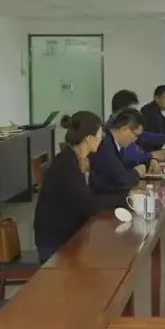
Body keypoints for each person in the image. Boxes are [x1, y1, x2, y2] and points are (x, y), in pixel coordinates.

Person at [33, 112, 128, 263]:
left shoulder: (78, 158)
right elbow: (88, 205)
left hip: (71, 230)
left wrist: (125, 195)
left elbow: (94, 190)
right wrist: (124, 199)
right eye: (100, 135)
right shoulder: (67, 164)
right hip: (57, 242)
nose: (102, 139)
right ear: (89, 139)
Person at [109, 90, 165, 169]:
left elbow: (142, 136)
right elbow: (127, 158)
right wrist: (151, 155)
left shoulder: (125, 126)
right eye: (134, 112)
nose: (137, 115)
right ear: (122, 112)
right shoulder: (113, 131)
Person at [90, 109, 147, 194]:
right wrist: (137, 172)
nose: (135, 139)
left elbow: (124, 167)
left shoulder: (114, 143)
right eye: (136, 135)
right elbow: (123, 180)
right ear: (125, 129)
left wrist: (149, 162)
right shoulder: (105, 145)